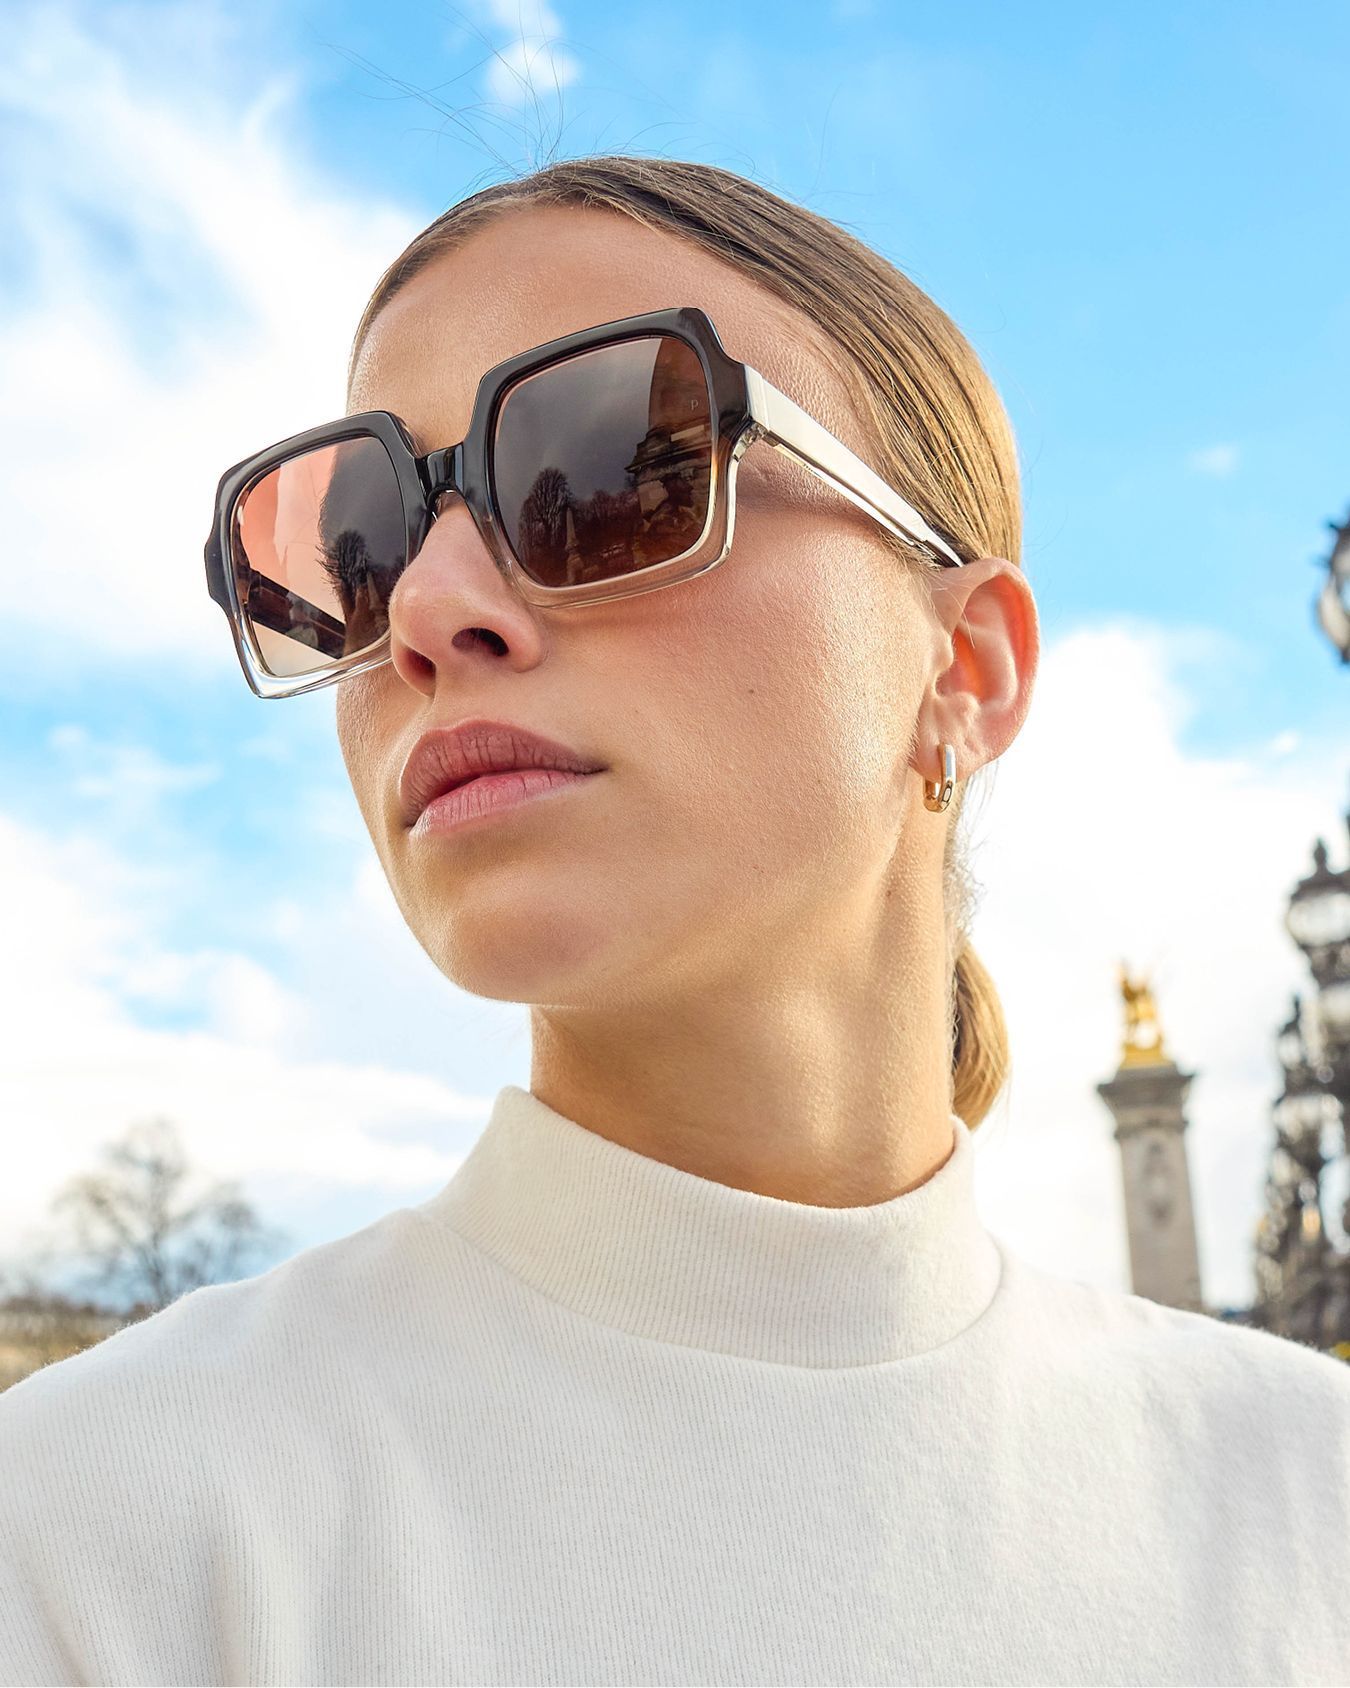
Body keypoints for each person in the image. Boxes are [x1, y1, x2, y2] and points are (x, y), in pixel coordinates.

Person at [2, 154, 1347, 1686]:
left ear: (963, 668)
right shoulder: (84, 1532)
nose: (432, 609)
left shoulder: (1307, 1503)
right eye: (359, 549)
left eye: (602, 468)